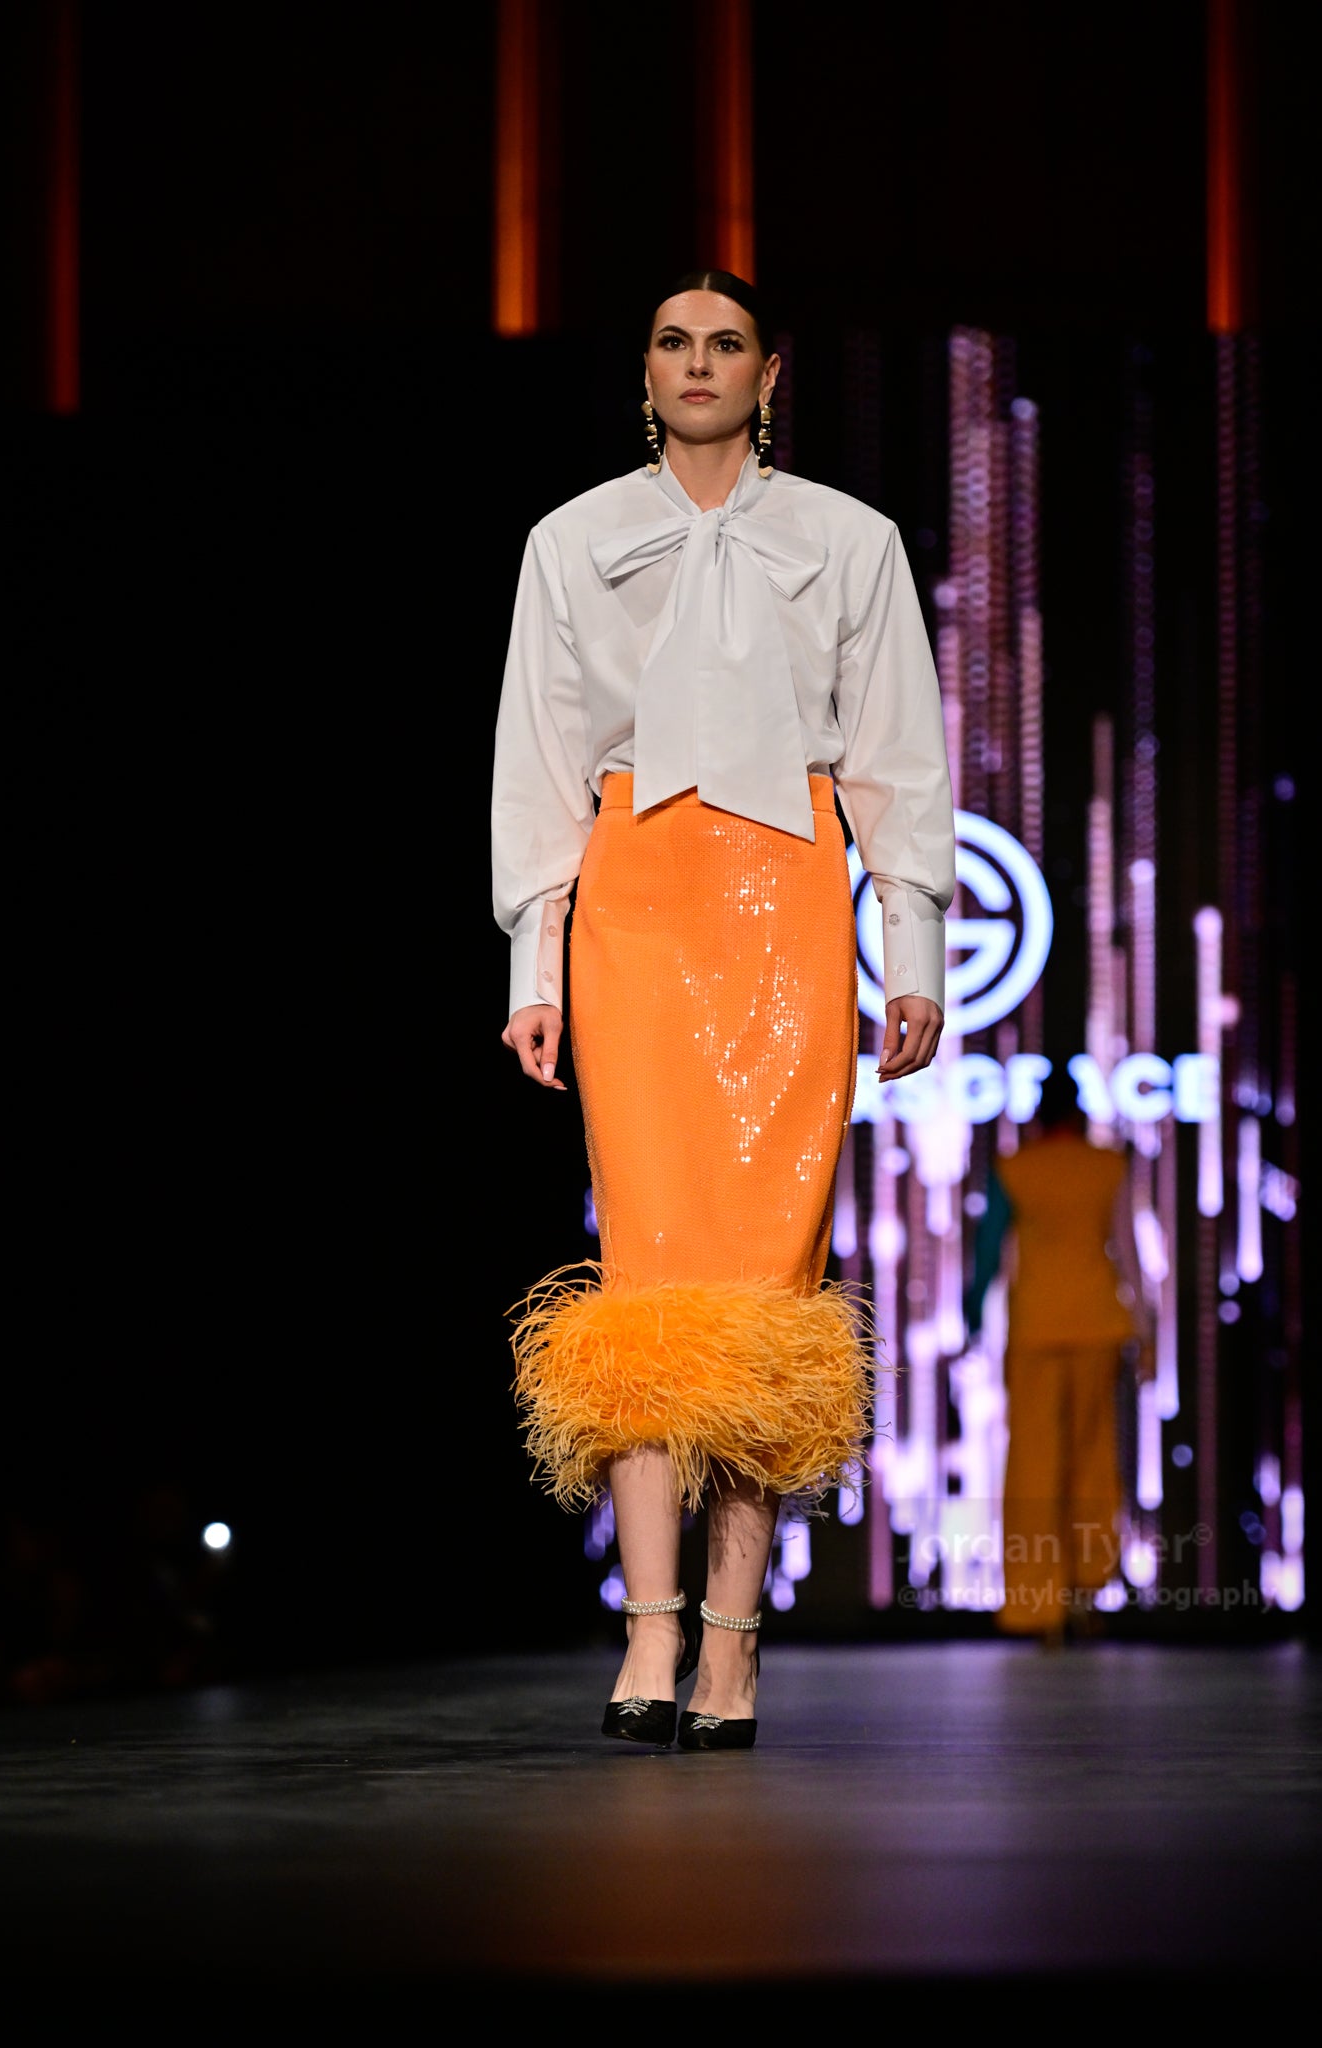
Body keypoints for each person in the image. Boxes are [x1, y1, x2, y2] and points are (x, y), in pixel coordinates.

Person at [492, 270, 955, 1748]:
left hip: (788, 904)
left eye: (727, 343)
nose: (699, 363)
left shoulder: (851, 539)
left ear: (770, 372)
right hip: (633, 906)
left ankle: (735, 1648)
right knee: (644, 1272)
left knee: (765, 1282)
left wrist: (915, 948)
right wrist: (535, 970)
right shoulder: (572, 539)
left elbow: (898, 756)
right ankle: (648, 1630)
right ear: (646, 371)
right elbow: (538, 763)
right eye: (674, 342)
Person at [964, 1058, 1151, 1646]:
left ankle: (1037, 1606)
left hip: (1037, 1328)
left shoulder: (1016, 1168)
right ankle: (1087, 1593)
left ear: (1039, 1115)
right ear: (1080, 1111)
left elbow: (988, 1251)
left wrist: (973, 1317)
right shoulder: (1107, 1166)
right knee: (1093, 1459)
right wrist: (1146, 1328)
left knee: (1034, 1465)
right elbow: (1127, 1248)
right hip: (1099, 1324)